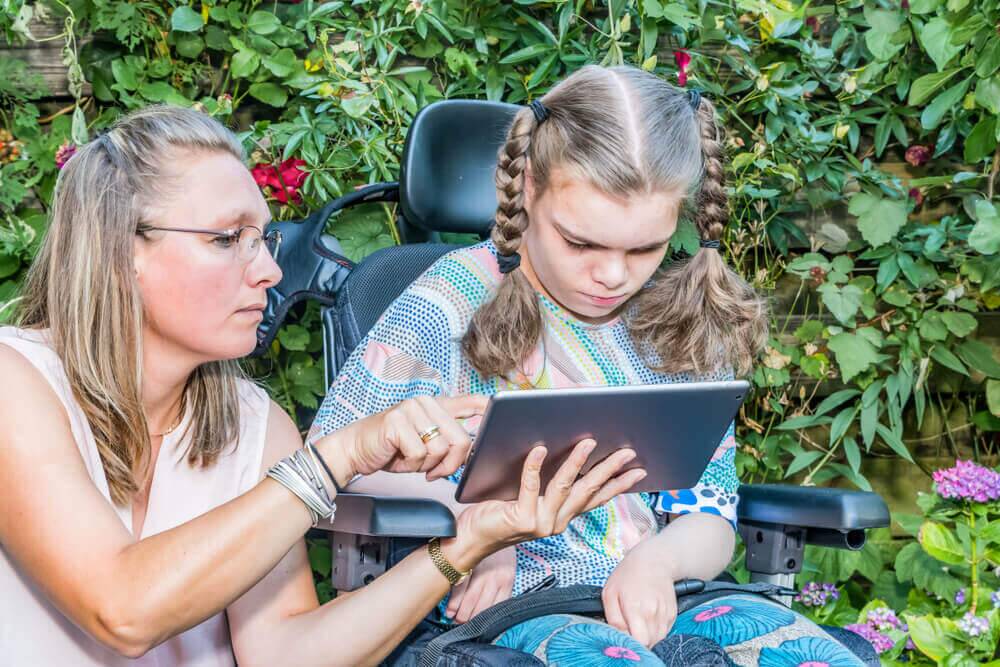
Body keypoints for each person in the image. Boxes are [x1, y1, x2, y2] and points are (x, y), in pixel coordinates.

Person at [0, 105, 645, 667]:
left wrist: (471, 541)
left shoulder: (250, 426)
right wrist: (339, 456)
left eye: (263, 237)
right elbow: (122, 609)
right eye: (228, 240)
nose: (270, 270)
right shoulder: (17, 382)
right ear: (120, 250)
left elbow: (286, 654)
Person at [309, 65, 873, 665]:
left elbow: (710, 516)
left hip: (670, 594)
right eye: (580, 243)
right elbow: (329, 462)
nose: (612, 276)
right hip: (510, 610)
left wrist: (656, 562)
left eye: (645, 248)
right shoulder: (447, 302)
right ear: (528, 187)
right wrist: (468, 519)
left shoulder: (677, 323)